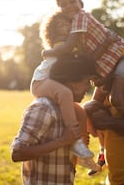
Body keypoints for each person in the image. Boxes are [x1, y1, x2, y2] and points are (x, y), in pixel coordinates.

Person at [43, 0, 124, 175]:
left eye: (73, 1)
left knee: (118, 98)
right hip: (111, 65)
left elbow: (82, 53)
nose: (69, 6)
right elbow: (85, 57)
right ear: (59, 9)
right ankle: (103, 153)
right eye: (63, 4)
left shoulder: (81, 17)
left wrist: (50, 51)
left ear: (81, 3)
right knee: (89, 107)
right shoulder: (73, 29)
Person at [11, 54, 100, 184]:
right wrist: (62, 141)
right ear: (72, 82)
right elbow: (17, 153)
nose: (87, 89)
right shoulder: (43, 108)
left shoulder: (72, 111)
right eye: (86, 83)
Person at [30, 11, 94, 160]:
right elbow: (66, 54)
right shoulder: (61, 44)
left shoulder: (71, 44)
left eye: (67, 24)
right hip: (41, 81)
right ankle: (76, 142)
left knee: (80, 113)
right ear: (52, 31)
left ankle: (82, 151)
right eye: (60, 25)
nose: (65, 27)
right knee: (66, 93)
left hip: (51, 83)